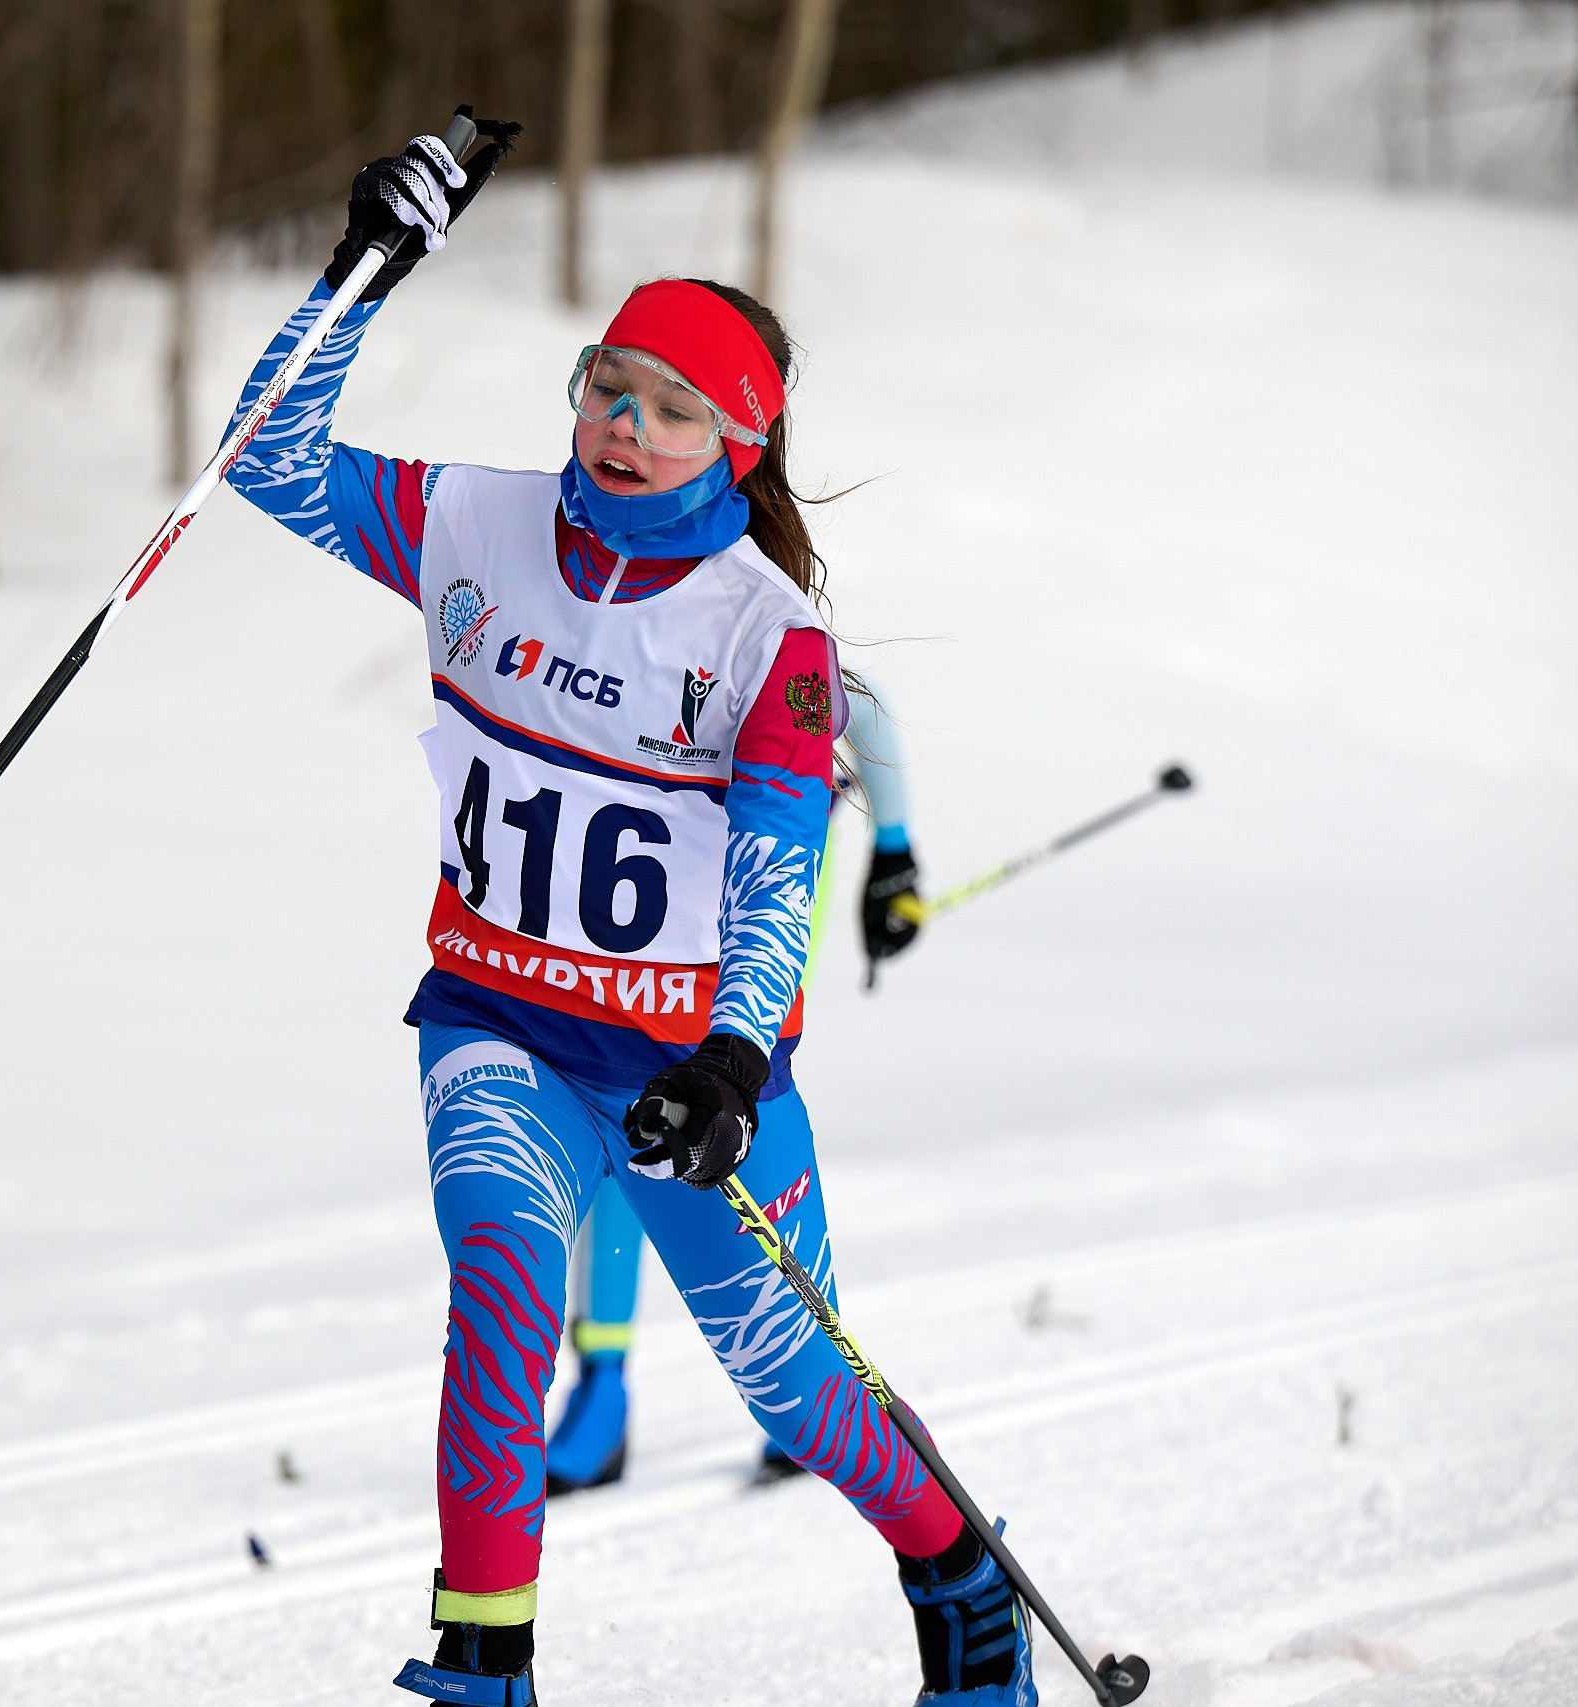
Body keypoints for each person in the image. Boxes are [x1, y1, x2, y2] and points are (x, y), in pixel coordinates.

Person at [220, 124, 1032, 1707]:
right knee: (507, 1279)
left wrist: (733, 1058)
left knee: (801, 1393)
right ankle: (485, 1659)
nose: (624, 425)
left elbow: (776, 870)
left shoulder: (768, 637)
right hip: (498, 1021)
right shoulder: (473, 525)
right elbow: (259, 454)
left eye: (670, 408)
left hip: (685, 1077)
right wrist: (359, 271)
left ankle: (956, 1567)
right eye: (607, 385)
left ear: (737, 443)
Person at [546, 688, 927, 1493]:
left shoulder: (765, 615)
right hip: (643, 888)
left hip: (764, 883)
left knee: (741, 1115)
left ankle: (809, 1382)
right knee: (633, 1123)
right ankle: (603, 1383)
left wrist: (893, 854)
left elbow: (855, 699)